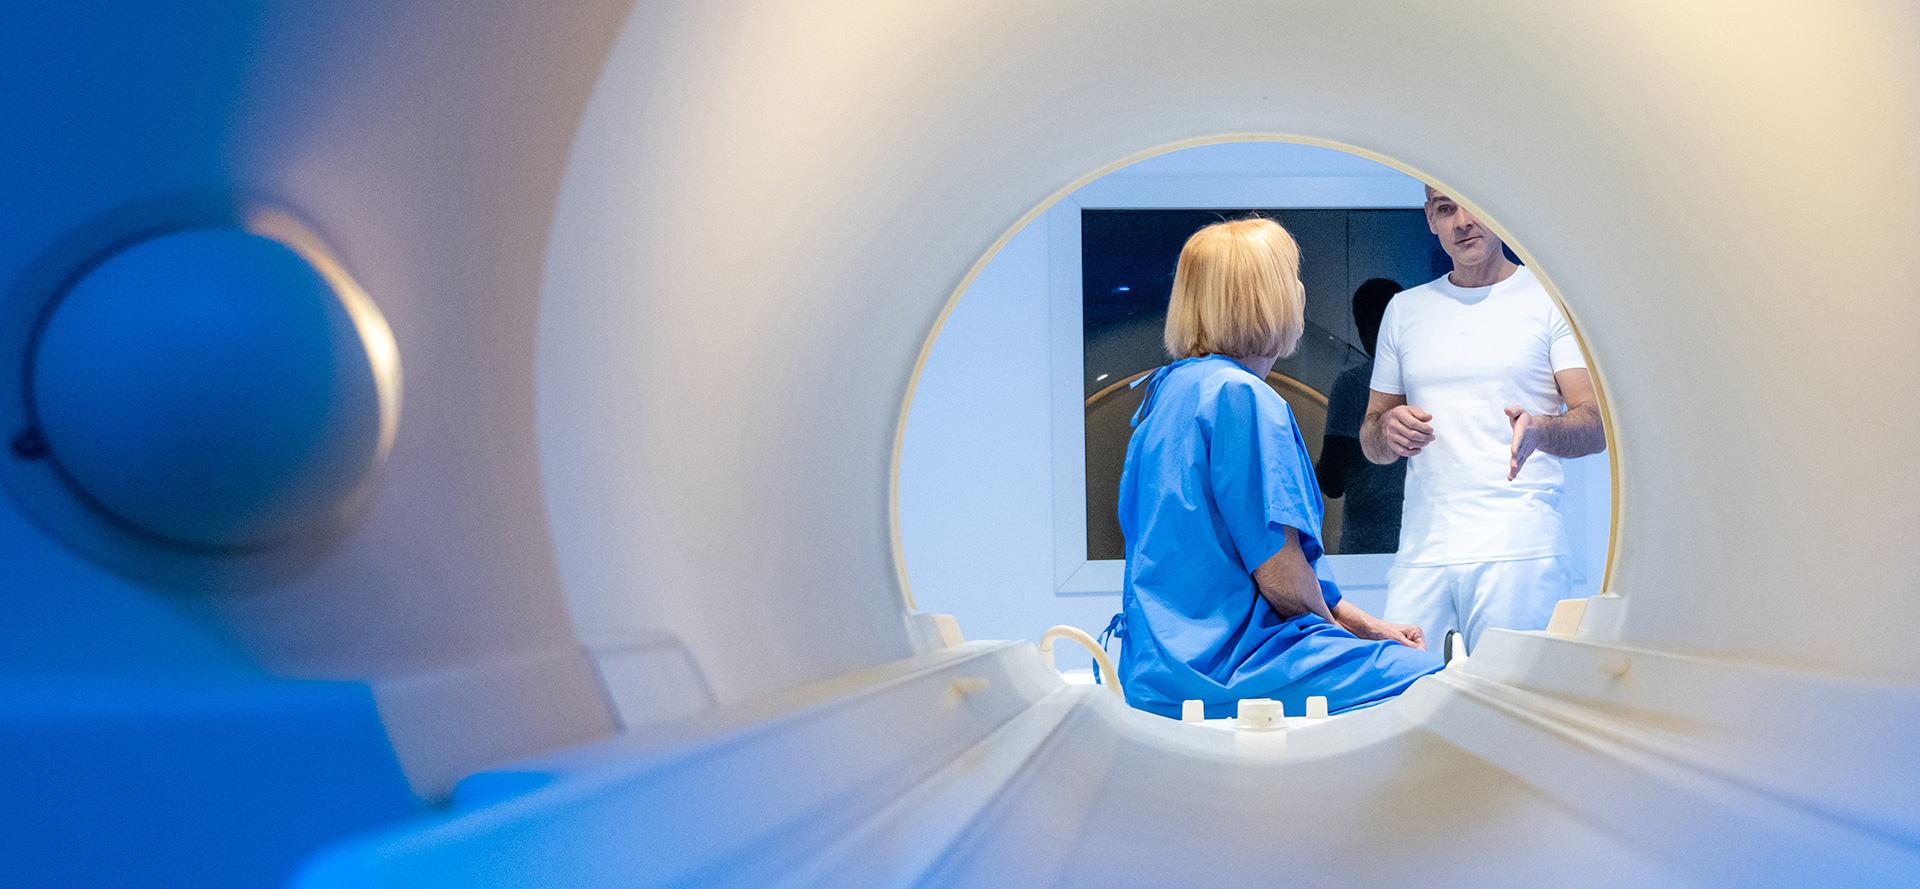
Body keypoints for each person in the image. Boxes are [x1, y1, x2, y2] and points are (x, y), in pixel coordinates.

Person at [1113, 217, 1441, 721]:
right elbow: (1282, 579)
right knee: (1436, 683)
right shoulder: (1242, 397)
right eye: (1292, 274)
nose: (1302, 289)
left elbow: (1256, 560)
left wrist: (1368, 628)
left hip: (1154, 670)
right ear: (1263, 296)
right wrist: (1346, 645)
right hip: (1231, 668)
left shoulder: (1167, 390)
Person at [1360, 187, 1606, 654]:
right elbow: (1371, 438)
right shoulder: (1405, 310)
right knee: (1399, 693)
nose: (1462, 222)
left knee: (1515, 706)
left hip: (1518, 546)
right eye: (1446, 209)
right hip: (1423, 548)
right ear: (1430, 218)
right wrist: (1387, 430)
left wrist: (1540, 430)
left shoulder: (1548, 298)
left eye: (1471, 204)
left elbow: (1594, 425)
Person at [1316, 278, 1406, 554]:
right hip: (1425, 539)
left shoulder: (1354, 384)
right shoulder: (1431, 379)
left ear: (1364, 326)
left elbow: (1332, 481)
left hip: (1367, 544)